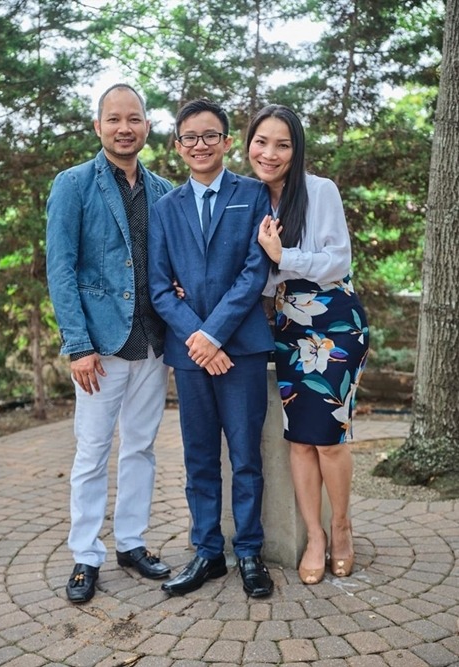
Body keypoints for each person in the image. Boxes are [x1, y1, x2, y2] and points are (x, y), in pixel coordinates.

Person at [46, 83, 173, 604]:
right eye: (114, 119)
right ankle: (85, 555)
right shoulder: (74, 184)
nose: (125, 128)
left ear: (147, 127)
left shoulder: (163, 190)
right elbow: (61, 268)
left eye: (134, 119)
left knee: (140, 447)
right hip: (99, 348)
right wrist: (77, 345)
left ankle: (132, 543)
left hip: (153, 344)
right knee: (93, 452)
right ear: (98, 127)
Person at [148, 98, 275, 598]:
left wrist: (213, 335)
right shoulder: (165, 208)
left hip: (241, 349)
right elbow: (160, 288)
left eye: (209, 135)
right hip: (190, 356)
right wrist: (198, 340)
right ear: (178, 147)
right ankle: (207, 552)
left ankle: (249, 552)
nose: (200, 145)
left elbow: (255, 271)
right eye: (190, 137)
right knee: (199, 456)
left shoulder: (254, 194)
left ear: (225, 142)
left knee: (245, 457)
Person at [246, 104, 369, 585]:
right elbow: (256, 276)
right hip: (289, 327)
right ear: (249, 145)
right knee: (299, 438)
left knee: (329, 440)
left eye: (282, 144)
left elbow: (338, 261)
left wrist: (284, 255)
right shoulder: (251, 198)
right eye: (261, 142)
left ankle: (342, 528)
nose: (269, 153)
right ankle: (314, 536)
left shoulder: (320, 190)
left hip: (335, 321)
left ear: (296, 150)